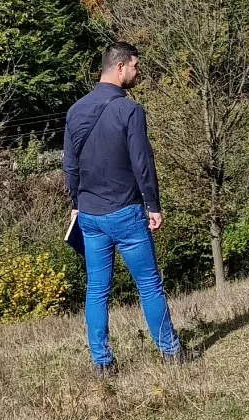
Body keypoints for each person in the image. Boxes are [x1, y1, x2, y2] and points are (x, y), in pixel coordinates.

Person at [63, 42, 185, 376]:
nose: (137, 72)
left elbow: (70, 167)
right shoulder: (130, 111)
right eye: (135, 66)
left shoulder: (74, 112)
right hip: (127, 213)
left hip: (90, 217)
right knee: (149, 286)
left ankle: (102, 363)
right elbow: (142, 164)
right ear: (119, 68)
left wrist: (76, 204)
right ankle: (171, 353)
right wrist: (153, 205)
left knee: (97, 291)